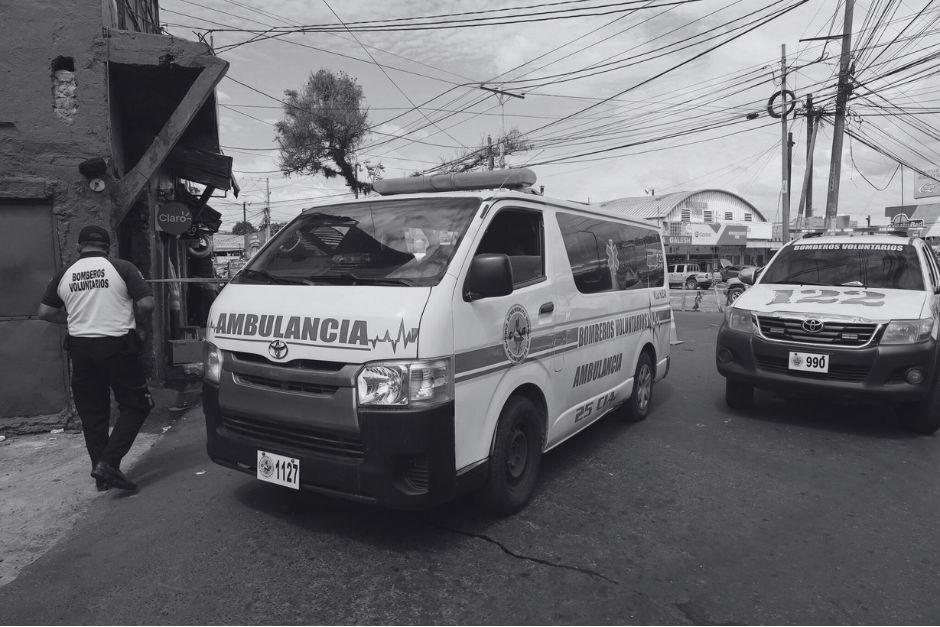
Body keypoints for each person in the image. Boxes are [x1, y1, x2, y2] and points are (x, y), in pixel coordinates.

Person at [37, 225, 155, 492]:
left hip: (80, 349)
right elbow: (147, 304)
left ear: (80, 247)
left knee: (93, 413)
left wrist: (73, 319)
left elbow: (44, 311)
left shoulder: (64, 273)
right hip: (117, 347)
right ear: (107, 246)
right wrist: (141, 325)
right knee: (137, 405)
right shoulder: (122, 268)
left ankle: (102, 478)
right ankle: (109, 464)